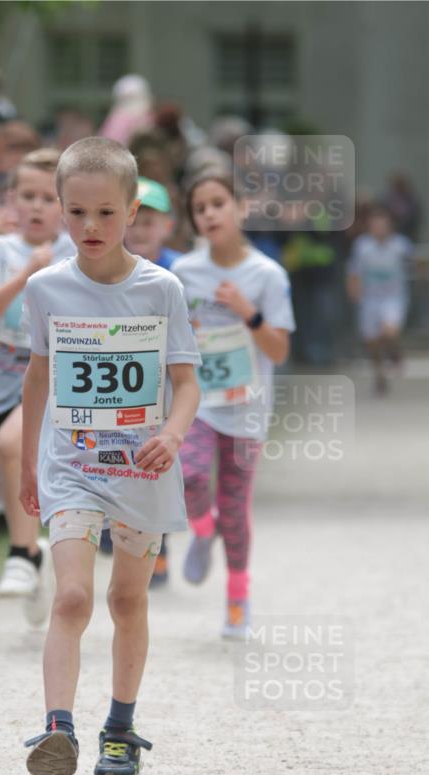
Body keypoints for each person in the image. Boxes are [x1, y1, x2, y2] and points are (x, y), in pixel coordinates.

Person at [19, 137, 200, 775]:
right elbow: (37, 376)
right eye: (76, 213)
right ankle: (56, 733)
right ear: (60, 210)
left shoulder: (161, 289)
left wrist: (173, 434)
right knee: (71, 596)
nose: (89, 226)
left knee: (127, 599)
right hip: (71, 464)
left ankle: (120, 731)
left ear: (132, 213)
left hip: (140, 469)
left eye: (105, 213)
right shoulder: (44, 288)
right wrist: (29, 466)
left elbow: (186, 382)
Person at [172, 170, 295, 639]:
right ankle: (204, 530)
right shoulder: (184, 273)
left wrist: (248, 312)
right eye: (199, 209)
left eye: (218, 204)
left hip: (247, 406)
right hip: (199, 401)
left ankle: (237, 596)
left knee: (236, 504)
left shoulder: (267, 275)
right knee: (190, 474)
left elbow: (278, 351)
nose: (209, 214)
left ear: (241, 208)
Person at [0, 148, 73, 623]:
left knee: (12, 447)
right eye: (27, 196)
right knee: (18, 471)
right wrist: (26, 274)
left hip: (54, 381)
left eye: (48, 198)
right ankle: (33, 553)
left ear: (66, 206)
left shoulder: (78, 253)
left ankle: (20, 556)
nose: (37, 207)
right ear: (11, 199)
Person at [124, 175, 182, 585]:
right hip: (123, 385)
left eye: (150, 222)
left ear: (167, 225)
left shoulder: (181, 271)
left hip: (169, 386)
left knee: (160, 464)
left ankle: (160, 549)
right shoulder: (105, 270)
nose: (141, 230)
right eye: (134, 221)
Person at [347, 203, 414, 395]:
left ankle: (394, 352)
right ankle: (380, 376)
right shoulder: (362, 246)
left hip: (394, 298)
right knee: (372, 341)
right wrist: (354, 291)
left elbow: (414, 265)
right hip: (370, 300)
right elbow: (354, 272)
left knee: (389, 332)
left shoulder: (401, 245)